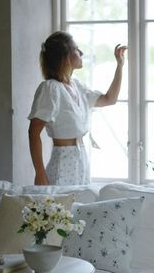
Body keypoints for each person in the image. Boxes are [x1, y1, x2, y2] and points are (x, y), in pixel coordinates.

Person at [28, 30, 127, 185]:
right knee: (62, 208)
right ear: (64, 56)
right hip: (63, 164)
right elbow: (33, 132)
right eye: (76, 49)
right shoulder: (50, 89)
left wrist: (120, 65)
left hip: (81, 162)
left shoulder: (77, 86)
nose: (81, 52)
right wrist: (39, 173)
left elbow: (110, 99)